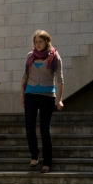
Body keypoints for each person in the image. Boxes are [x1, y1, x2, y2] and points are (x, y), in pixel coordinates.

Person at [20, 30, 64, 173]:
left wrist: (59, 99)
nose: (38, 44)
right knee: (29, 126)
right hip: (30, 94)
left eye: (40, 41)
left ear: (46, 41)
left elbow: (60, 79)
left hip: (47, 95)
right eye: (36, 42)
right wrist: (22, 94)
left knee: (45, 128)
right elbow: (25, 76)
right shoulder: (30, 56)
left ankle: (47, 162)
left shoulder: (54, 56)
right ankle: (34, 155)